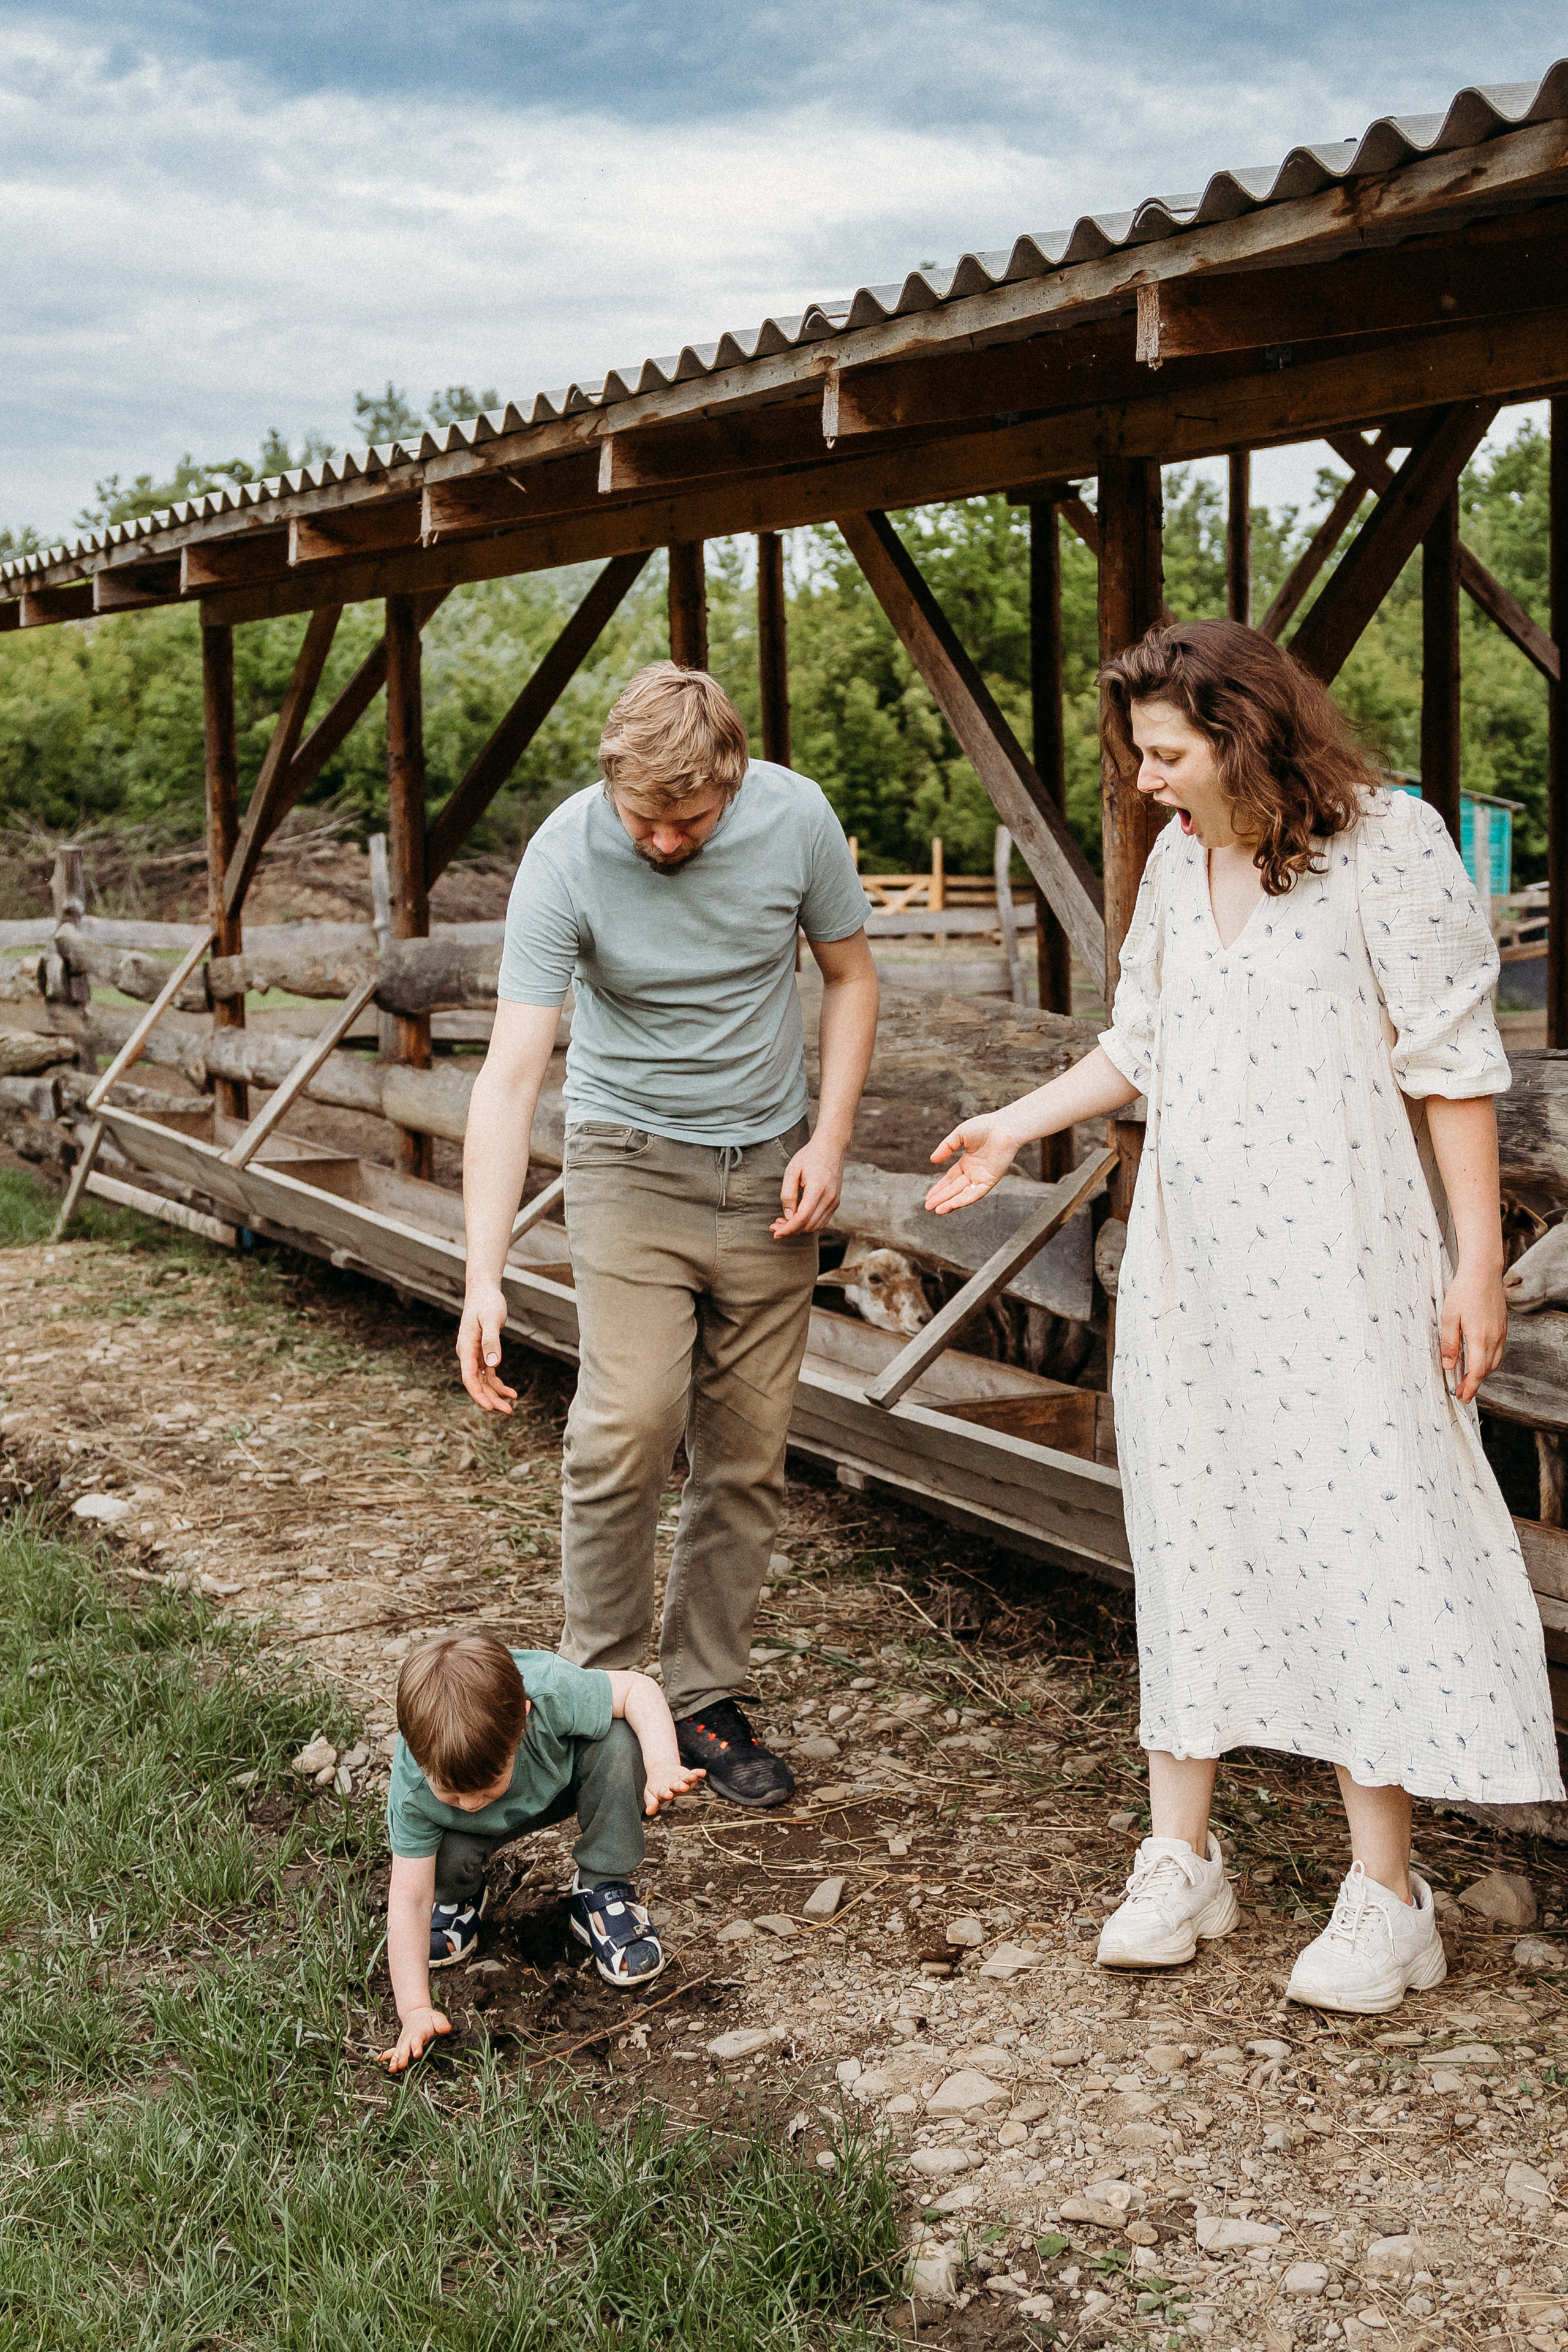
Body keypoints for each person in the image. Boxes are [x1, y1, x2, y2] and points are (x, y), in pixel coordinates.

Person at [925, 618, 1562, 2016]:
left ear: (1243, 735)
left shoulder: (1388, 847)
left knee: (1359, 1539)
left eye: (1165, 753)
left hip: (1343, 1267)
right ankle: (1180, 1855)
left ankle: (1388, 1893)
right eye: (1139, 754)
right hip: (1192, 1270)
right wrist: (1012, 1122)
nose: (1144, 779)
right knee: (1190, 1527)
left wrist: (1474, 1267)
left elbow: (1454, 1067)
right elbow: (1139, 1042)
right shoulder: (1176, 858)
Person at [457, 663, 878, 1809]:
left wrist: (830, 1139)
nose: (662, 839)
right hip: (629, 1163)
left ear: (733, 781)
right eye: (642, 816)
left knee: (746, 1451)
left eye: (687, 819)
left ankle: (704, 1695)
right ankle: (600, 1693)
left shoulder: (797, 819)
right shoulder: (564, 853)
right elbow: (509, 1075)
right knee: (629, 1423)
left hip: (772, 1174)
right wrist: (484, 1274)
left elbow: (851, 975)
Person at [380, 1630, 704, 2071]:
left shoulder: (550, 1689)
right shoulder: (414, 1788)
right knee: (429, 1864)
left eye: (486, 1786)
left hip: (559, 1786)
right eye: (451, 1793)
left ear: (524, 1720)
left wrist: (662, 1763)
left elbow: (638, 1690)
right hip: (462, 1836)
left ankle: (602, 1885)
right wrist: (415, 2009)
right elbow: (408, 1899)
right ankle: (457, 1898)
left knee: (619, 1739)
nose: (472, 1803)